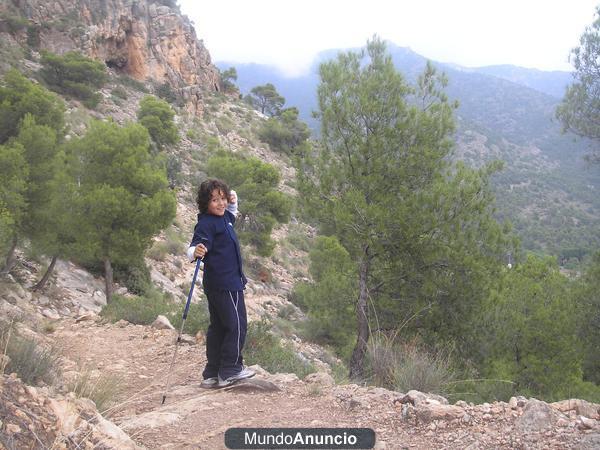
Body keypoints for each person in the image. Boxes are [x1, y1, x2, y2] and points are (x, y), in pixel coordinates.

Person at [187, 179, 255, 388]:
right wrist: (195, 251)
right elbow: (195, 246)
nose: (220, 203)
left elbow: (231, 215)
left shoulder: (224, 218)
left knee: (218, 327)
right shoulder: (207, 223)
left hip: (216, 284)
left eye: (222, 198)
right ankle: (230, 370)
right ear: (205, 203)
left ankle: (212, 372)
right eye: (214, 200)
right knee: (237, 325)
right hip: (226, 284)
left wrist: (233, 200)